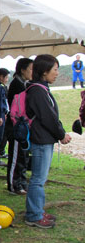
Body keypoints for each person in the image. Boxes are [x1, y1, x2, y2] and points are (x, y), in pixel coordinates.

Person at [24, 54, 71, 229]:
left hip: (44, 139)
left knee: (40, 178)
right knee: (38, 179)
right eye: (55, 69)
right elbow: (48, 117)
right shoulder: (37, 91)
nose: (57, 73)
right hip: (41, 140)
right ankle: (34, 215)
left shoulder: (41, 89)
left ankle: (37, 210)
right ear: (44, 72)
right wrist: (61, 134)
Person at [6, 58, 33, 195]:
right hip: (16, 127)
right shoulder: (16, 84)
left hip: (24, 127)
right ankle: (13, 184)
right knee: (16, 156)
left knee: (24, 156)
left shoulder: (25, 84)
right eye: (30, 69)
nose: (32, 72)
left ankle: (22, 182)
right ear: (22, 70)